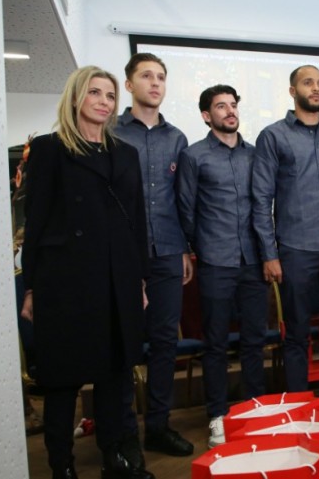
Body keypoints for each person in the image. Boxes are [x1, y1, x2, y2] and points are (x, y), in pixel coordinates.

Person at [20, 66, 154, 479]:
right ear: (76, 97)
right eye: (94, 92)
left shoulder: (125, 153)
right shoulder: (50, 149)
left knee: (115, 377)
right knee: (63, 381)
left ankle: (115, 459)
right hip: (66, 281)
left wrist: (140, 280)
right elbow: (36, 222)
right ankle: (61, 466)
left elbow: (137, 221)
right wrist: (31, 288)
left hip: (118, 278)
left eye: (110, 95)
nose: (103, 102)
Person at [253, 65, 319, 395]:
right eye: (308, 83)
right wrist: (269, 254)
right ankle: (300, 404)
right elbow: (261, 198)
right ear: (292, 91)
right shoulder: (273, 136)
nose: (316, 88)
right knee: (296, 333)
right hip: (296, 249)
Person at [176, 84, 268, 449]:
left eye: (233, 105)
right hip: (215, 261)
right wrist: (195, 250)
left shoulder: (256, 154)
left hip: (254, 261)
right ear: (206, 115)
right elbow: (186, 209)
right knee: (215, 344)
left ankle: (255, 410)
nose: (230, 111)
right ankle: (218, 415)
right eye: (220, 106)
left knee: (254, 341)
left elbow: (263, 204)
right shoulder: (193, 156)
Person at [114, 52, 194, 458]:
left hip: (167, 250)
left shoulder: (176, 138)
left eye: (161, 76)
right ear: (130, 85)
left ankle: (158, 428)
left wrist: (184, 248)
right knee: (123, 344)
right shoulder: (110, 133)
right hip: (121, 254)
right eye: (146, 76)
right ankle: (122, 434)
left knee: (165, 343)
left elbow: (181, 199)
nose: (155, 83)